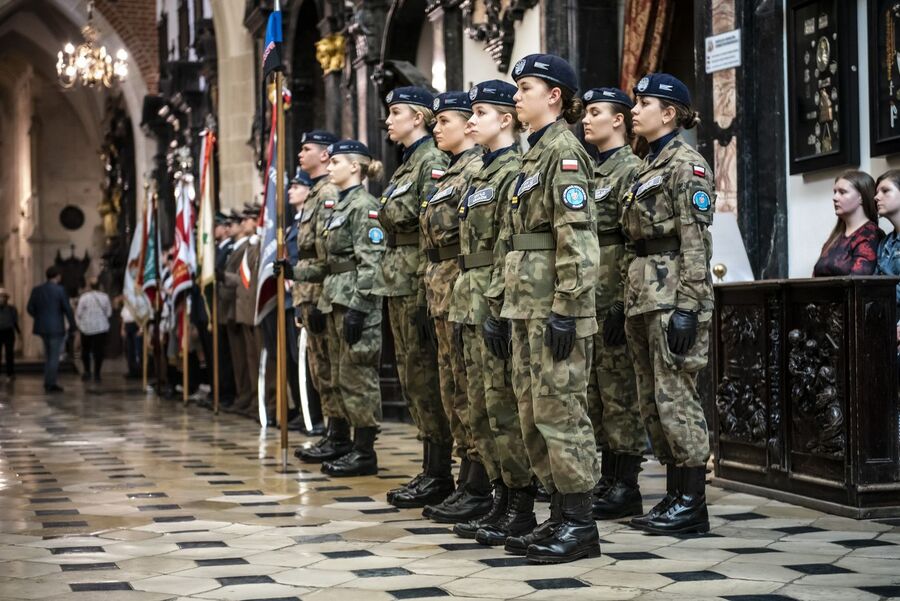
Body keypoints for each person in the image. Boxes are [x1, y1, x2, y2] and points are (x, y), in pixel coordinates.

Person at [484, 54, 602, 563]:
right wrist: (498, 303)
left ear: (554, 96)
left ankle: (580, 524)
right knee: (533, 414)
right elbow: (511, 240)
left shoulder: (565, 153)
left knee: (562, 413)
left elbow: (577, 238)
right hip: (524, 306)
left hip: (553, 307)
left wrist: (568, 307)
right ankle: (557, 514)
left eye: (525, 87)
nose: (516, 97)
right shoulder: (531, 157)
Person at [622, 73, 715, 535]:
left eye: (644, 103)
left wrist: (689, 307)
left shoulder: (686, 164)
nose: (635, 111)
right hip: (643, 295)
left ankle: (692, 502)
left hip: (673, 294)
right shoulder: (646, 165)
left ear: (670, 113)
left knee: (676, 397)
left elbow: (696, 242)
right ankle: (674, 494)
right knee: (653, 402)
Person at [449, 80, 536, 545]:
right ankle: (498, 497)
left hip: (493, 296)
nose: (471, 122)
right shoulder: (479, 173)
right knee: (479, 407)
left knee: (503, 407)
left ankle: (520, 504)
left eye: (480, 113)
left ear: (505, 119)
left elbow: (507, 246)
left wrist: (498, 305)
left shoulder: (513, 171)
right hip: (468, 296)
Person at [375, 87, 454, 508]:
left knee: (426, 377)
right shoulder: (408, 163)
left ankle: (440, 472)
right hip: (398, 281)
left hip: (419, 282)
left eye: (396, 112)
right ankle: (430, 467)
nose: (388, 120)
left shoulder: (431, 162)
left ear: (418, 118)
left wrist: (427, 291)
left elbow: (432, 231)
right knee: (413, 377)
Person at [415, 91, 490, 522]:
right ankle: (465, 480)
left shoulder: (476, 170)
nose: (437, 127)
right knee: (453, 389)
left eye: (445, 120)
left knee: (470, 390)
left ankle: (478, 483)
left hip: (466, 289)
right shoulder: (451, 173)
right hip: (444, 290)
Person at [581, 87, 646, 520]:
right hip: (587, 296)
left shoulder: (631, 170)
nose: (586, 120)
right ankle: (606, 477)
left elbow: (632, 241)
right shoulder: (588, 171)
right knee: (594, 393)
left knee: (620, 391)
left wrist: (623, 302)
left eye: (595, 112)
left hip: (613, 296)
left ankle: (626, 484)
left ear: (618, 120)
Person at [313, 139, 386, 476]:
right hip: (335, 299)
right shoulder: (339, 207)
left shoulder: (363, 206)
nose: (329, 167)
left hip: (355, 302)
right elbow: (332, 262)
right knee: (340, 375)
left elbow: (371, 262)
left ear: (355, 167)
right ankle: (346, 443)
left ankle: (365, 451)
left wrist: (360, 307)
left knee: (358, 375)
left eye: (336, 162)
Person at [283, 130, 341, 449]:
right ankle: (331, 433)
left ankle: (338, 435)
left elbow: (328, 250)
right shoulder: (316, 193)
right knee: (319, 369)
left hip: (322, 290)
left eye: (306, 149)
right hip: (308, 289)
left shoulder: (328, 192)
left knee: (330, 367)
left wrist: (318, 297)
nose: (300, 154)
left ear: (324, 155)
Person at [813, 170, 882, 277]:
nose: (835, 198)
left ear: (861, 197)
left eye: (842, 192)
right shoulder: (836, 236)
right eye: (835, 192)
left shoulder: (870, 234)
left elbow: (858, 281)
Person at [27, 266, 76, 393]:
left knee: (48, 356)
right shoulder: (60, 290)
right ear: (58, 276)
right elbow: (67, 309)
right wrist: (73, 325)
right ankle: (51, 384)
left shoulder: (37, 290)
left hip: (42, 327)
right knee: (54, 357)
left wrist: (39, 317)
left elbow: (29, 308)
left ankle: (48, 381)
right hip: (56, 327)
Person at [874, 169, 900, 343]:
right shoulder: (885, 242)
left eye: (885, 190)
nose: (876, 197)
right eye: (877, 192)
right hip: (887, 321)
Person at [75, 279, 112, 382]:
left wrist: (79, 324)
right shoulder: (105, 297)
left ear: (89, 286)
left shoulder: (84, 297)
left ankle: (87, 371)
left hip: (86, 327)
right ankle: (97, 373)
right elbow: (109, 313)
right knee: (99, 351)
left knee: (85, 350)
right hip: (101, 327)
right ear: (100, 286)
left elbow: (79, 313)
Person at [0, 288, 19, 381]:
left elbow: (15, 321)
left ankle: (10, 374)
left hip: (8, 332)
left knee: (9, 354)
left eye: (3, 296)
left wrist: (19, 332)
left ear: (6, 298)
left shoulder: (12, 309)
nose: (1, 298)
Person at [120, 299, 142, 379]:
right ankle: (131, 370)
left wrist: (141, 329)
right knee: (129, 350)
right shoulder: (126, 305)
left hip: (136, 326)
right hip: (128, 326)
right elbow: (123, 318)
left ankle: (138, 370)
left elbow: (142, 317)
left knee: (137, 350)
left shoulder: (138, 304)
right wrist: (122, 329)